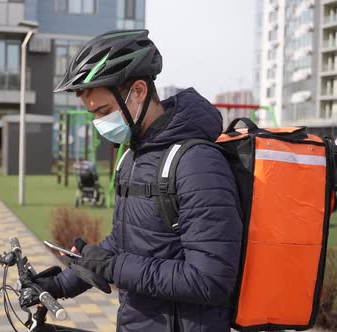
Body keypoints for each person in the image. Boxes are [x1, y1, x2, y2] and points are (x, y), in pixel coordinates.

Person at [35, 29, 243, 331]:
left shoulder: (197, 163)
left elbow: (209, 280)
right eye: (93, 114)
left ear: (139, 91)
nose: (98, 123)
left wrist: (113, 267)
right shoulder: (133, 157)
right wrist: (61, 284)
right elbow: (124, 242)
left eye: (104, 111)